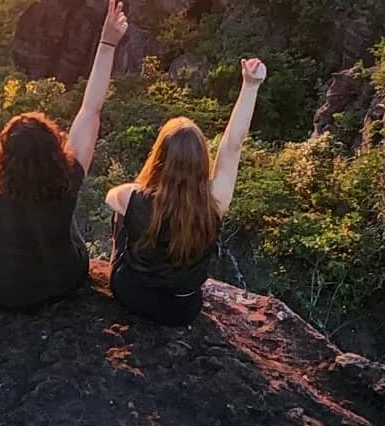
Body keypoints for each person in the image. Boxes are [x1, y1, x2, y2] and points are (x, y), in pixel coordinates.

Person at [0, 0, 129, 310]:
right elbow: (91, 109)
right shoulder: (69, 177)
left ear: (5, 157)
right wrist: (107, 42)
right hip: (66, 280)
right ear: (54, 148)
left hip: (4, 290)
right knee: (64, 226)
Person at [105, 58, 267, 325]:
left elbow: (110, 196)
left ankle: (126, 267)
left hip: (132, 294)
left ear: (160, 157)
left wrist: (139, 193)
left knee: (122, 216)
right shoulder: (215, 200)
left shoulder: (134, 197)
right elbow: (232, 146)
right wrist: (250, 86)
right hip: (182, 308)